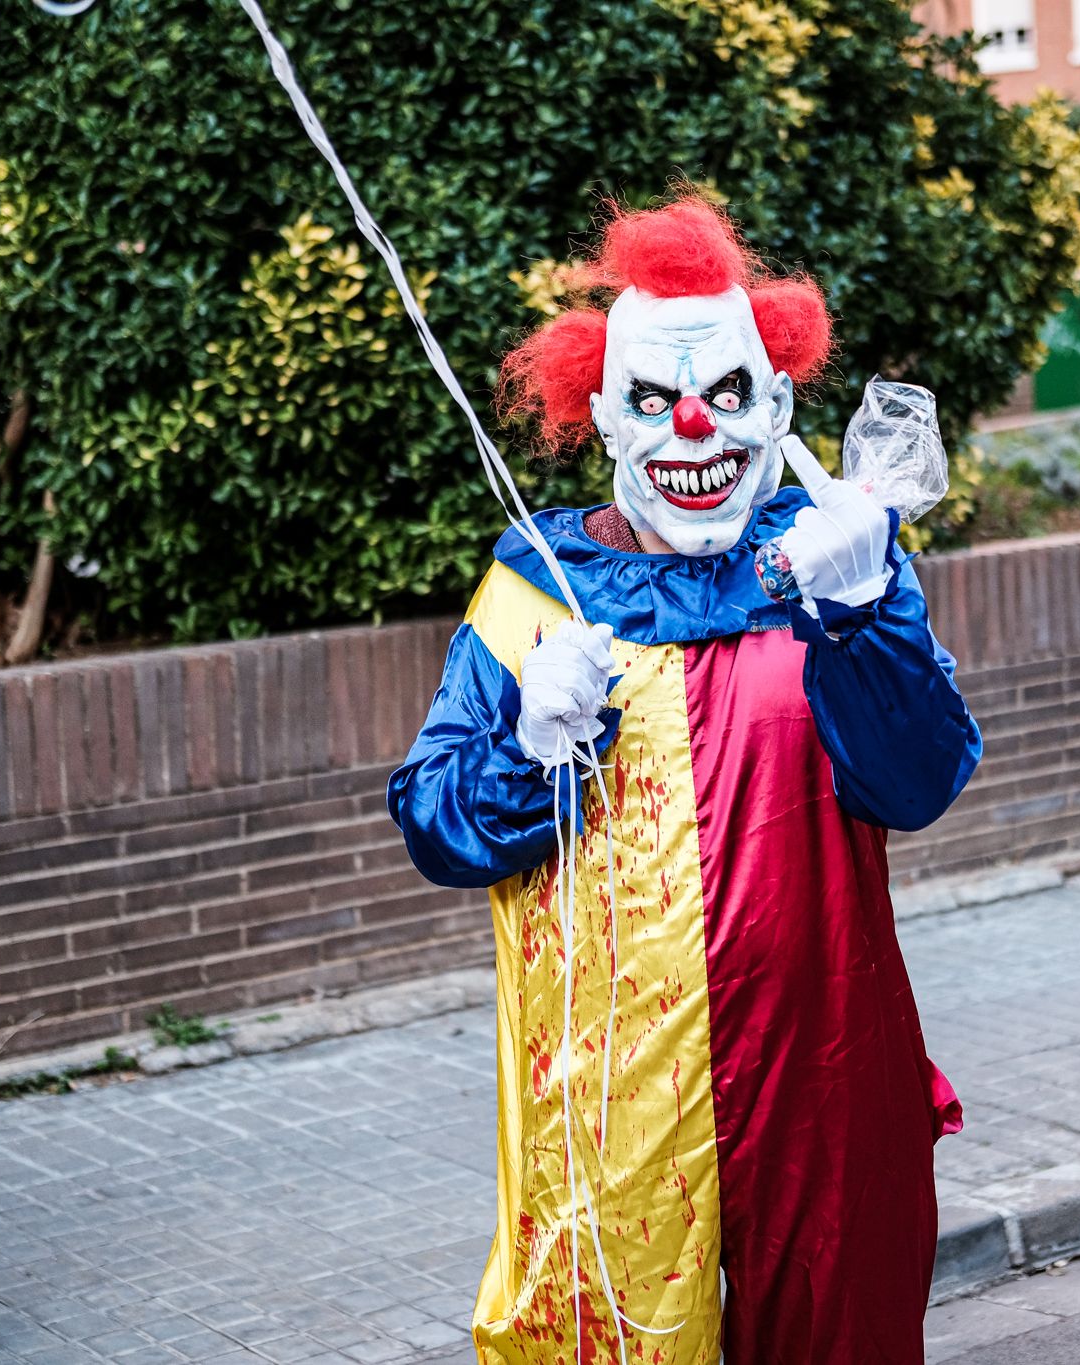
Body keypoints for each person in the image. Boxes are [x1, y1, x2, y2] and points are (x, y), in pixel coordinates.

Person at [388, 197, 982, 1364]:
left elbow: (916, 783)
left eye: (723, 394)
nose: (694, 429)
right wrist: (527, 741)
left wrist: (866, 621)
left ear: (777, 403)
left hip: (819, 1062)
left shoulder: (834, 558)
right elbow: (437, 828)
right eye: (656, 402)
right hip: (614, 1095)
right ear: (604, 414)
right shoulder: (535, 593)